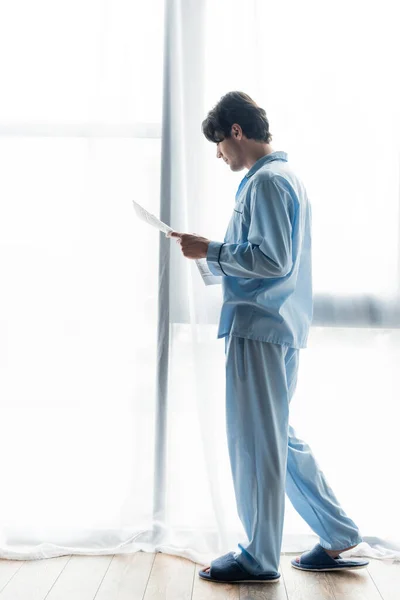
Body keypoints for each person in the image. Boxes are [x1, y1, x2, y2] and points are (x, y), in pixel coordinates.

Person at [168, 91, 368, 584]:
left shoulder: (269, 182)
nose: (219, 155)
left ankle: (258, 557)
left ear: (236, 132)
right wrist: (208, 253)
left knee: (256, 444)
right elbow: (267, 257)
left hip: (262, 329)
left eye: (219, 144)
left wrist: (211, 250)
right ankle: (338, 531)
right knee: (276, 437)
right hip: (274, 326)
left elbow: (273, 260)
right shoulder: (277, 180)